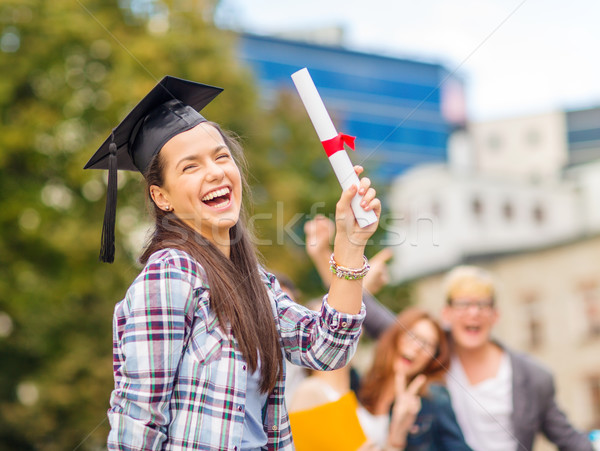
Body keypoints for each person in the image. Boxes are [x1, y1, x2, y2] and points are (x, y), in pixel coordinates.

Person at [84, 75, 381, 450]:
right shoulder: (170, 275)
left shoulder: (255, 281)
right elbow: (139, 421)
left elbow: (327, 348)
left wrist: (351, 245)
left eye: (221, 156)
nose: (214, 172)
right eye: (190, 167)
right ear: (161, 196)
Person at [442, 265, 593, 451]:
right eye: (463, 304)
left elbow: (569, 439)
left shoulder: (532, 376)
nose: (473, 313)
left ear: (495, 315)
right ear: (446, 313)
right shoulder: (431, 362)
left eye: (482, 305)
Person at [358, 308, 472, 451]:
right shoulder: (361, 385)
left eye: (427, 344)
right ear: (396, 336)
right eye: (412, 335)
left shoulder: (433, 398)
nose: (417, 347)